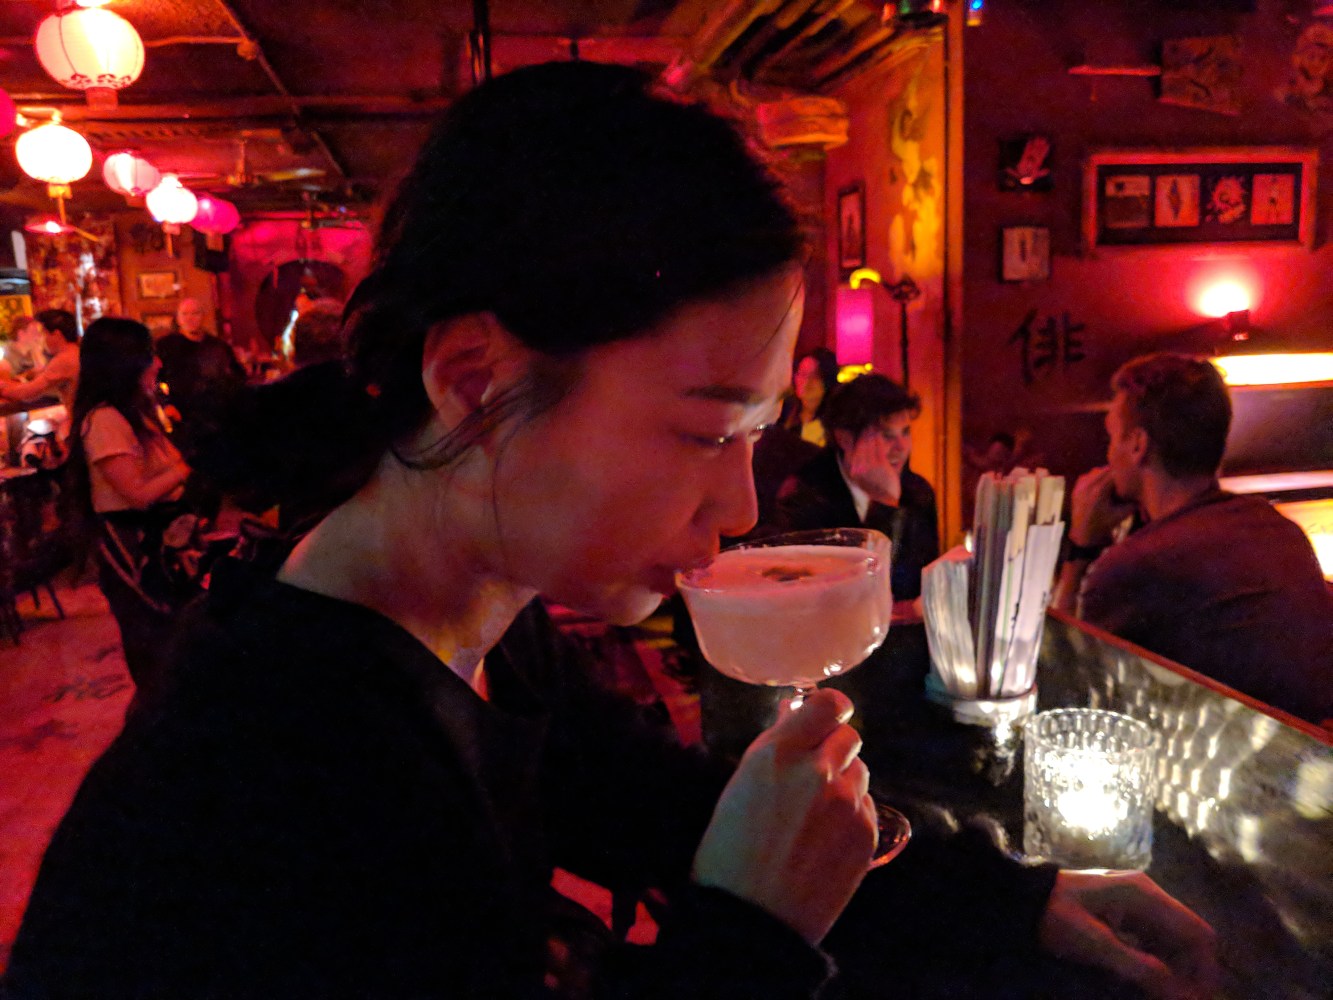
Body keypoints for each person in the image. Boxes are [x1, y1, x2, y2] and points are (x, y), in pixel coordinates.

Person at [6, 63, 1216, 1000]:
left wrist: (1002, 896)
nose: (741, 506)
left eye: (759, 432)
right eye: (706, 431)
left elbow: (654, 802)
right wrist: (748, 935)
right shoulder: (279, 769)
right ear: (474, 376)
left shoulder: (469, 624)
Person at [1054, 352, 1333, 724]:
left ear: (1137, 445)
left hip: (1239, 768)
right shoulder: (1276, 528)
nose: (1107, 454)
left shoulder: (1139, 566)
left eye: (1111, 436)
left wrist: (1081, 548)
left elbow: (1062, 683)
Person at [61, 318, 195, 710]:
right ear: (125, 364)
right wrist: (189, 464)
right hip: (136, 553)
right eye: (148, 356)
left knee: (176, 652)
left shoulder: (135, 413)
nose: (156, 365)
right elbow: (136, 495)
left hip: (162, 547)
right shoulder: (104, 421)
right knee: (157, 658)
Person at [775, 373, 939, 602]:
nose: (901, 447)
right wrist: (885, 506)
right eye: (886, 435)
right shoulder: (804, 495)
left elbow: (921, 588)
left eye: (905, 433)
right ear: (844, 439)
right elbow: (853, 597)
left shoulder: (918, 492)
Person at [154, 296, 245, 457]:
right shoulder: (165, 346)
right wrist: (166, 404)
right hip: (182, 417)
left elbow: (237, 376)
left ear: (203, 316)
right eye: (185, 314)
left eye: (195, 313)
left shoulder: (218, 346)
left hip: (217, 418)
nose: (190, 318)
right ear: (178, 318)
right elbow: (154, 379)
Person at [0, 309, 82, 453]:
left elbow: (28, 392)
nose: (41, 338)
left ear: (56, 335)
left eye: (43, 333)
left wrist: (2, 387)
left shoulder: (65, 358)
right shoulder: (75, 352)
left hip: (81, 425)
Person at [780, 346, 840, 447]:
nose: (806, 382)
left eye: (814, 376)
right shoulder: (784, 417)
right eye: (802, 374)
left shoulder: (835, 426)